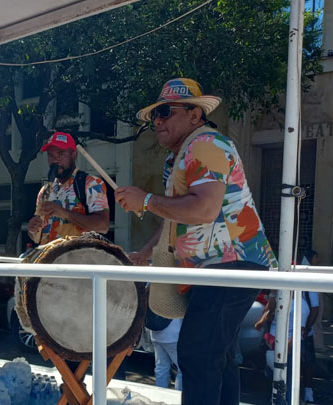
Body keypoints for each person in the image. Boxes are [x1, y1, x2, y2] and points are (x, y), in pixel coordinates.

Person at [115, 78, 278, 404]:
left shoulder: (205, 145)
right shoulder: (180, 156)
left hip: (228, 264)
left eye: (164, 112)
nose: (156, 121)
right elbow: (177, 216)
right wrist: (147, 251)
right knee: (217, 357)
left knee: (197, 354)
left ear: (194, 114)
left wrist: (146, 200)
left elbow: (203, 208)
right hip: (224, 267)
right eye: (153, 116)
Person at [27, 131, 109, 245]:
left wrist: (64, 213)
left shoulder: (91, 184)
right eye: (51, 155)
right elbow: (37, 237)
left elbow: (103, 226)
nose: (55, 160)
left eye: (61, 154)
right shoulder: (45, 190)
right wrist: (32, 230)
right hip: (49, 259)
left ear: (74, 155)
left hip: (77, 259)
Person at [149, 317, 184, 390]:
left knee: (161, 367)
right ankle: (178, 395)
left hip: (156, 334)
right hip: (174, 335)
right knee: (182, 369)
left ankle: (161, 395)